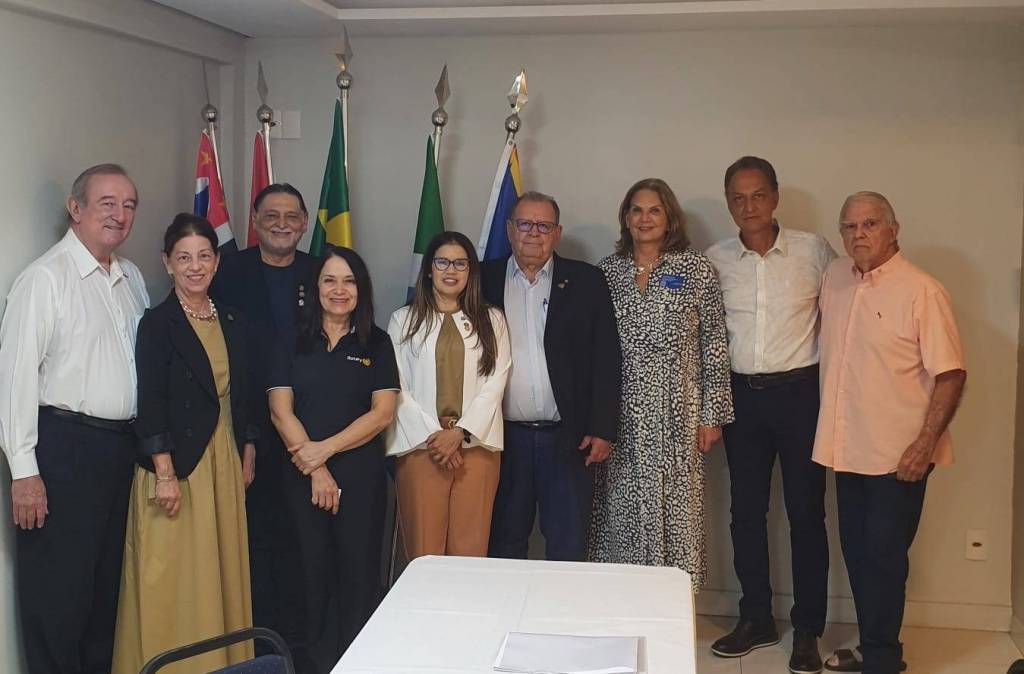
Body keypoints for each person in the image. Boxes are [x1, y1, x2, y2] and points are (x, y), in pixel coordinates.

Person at [0, 164, 149, 674]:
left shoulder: (132, 279)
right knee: (58, 599)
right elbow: (15, 378)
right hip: (63, 451)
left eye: (129, 205)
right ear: (75, 208)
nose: (120, 215)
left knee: (104, 597)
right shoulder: (44, 279)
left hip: (120, 450)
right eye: (107, 203)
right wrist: (24, 471)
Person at [815, 192, 966, 674]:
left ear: (893, 228)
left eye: (870, 224)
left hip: (898, 456)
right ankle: (875, 647)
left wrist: (925, 444)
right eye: (849, 226)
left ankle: (882, 660)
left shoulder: (922, 291)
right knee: (859, 557)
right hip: (846, 448)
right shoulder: (835, 278)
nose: (859, 234)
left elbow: (951, 375)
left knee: (883, 561)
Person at [706, 156, 835, 673]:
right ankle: (756, 617)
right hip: (742, 398)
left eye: (758, 195)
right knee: (745, 513)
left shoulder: (814, 251)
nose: (749, 206)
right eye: (738, 198)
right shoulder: (715, 259)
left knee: (806, 515)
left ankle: (807, 629)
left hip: (801, 395)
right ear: (728, 203)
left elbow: (843, 315)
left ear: (775, 196)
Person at [112, 214, 256, 673]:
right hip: (177, 469)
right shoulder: (157, 324)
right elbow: (150, 402)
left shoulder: (232, 319)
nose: (195, 266)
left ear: (216, 261)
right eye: (184, 257)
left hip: (223, 463)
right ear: (167, 263)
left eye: (204, 256)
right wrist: (165, 474)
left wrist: (248, 447)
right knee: (173, 578)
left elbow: (244, 393)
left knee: (220, 573)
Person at [589, 178, 734, 589]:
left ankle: (672, 601)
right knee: (622, 506)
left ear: (670, 218)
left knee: (677, 509)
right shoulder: (606, 272)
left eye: (654, 210)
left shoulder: (695, 269)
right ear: (625, 218)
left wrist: (712, 415)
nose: (645, 218)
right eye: (636, 210)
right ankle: (623, 597)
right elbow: (594, 346)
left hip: (678, 410)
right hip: (619, 411)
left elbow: (714, 343)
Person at [268, 245, 398, 674]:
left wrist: (324, 451)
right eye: (329, 280)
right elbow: (280, 412)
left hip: (360, 479)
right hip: (302, 477)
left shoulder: (377, 342)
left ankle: (359, 663)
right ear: (315, 287)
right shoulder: (290, 339)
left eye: (348, 281)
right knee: (310, 574)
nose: (339, 290)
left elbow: (381, 414)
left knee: (359, 575)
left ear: (361, 290)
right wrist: (317, 469)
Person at [481, 191, 621, 561]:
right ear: (509, 230)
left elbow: (606, 358)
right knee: (504, 542)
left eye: (544, 226)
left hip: (568, 440)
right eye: (525, 224)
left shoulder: (587, 281)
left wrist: (603, 428)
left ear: (557, 233)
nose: (534, 233)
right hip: (501, 440)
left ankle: (563, 605)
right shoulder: (482, 279)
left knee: (567, 546)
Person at [210, 182, 317, 644]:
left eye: (291, 216)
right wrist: (246, 433)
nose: (281, 224)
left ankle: (303, 642)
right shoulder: (226, 272)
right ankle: (255, 643)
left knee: (304, 535)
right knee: (254, 536)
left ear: (305, 223)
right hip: (243, 425)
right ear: (254, 221)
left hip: (308, 428)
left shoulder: (320, 272)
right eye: (271, 215)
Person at [386, 231, 511, 560]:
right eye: (442, 262)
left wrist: (459, 434)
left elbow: (496, 381)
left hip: (476, 447)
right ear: (429, 268)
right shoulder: (403, 320)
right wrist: (436, 438)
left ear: (471, 271)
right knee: (424, 551)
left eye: (460, 263)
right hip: (421, 447)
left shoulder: (492, 319)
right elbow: (397, 386)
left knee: (469, 552)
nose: (451, 270)